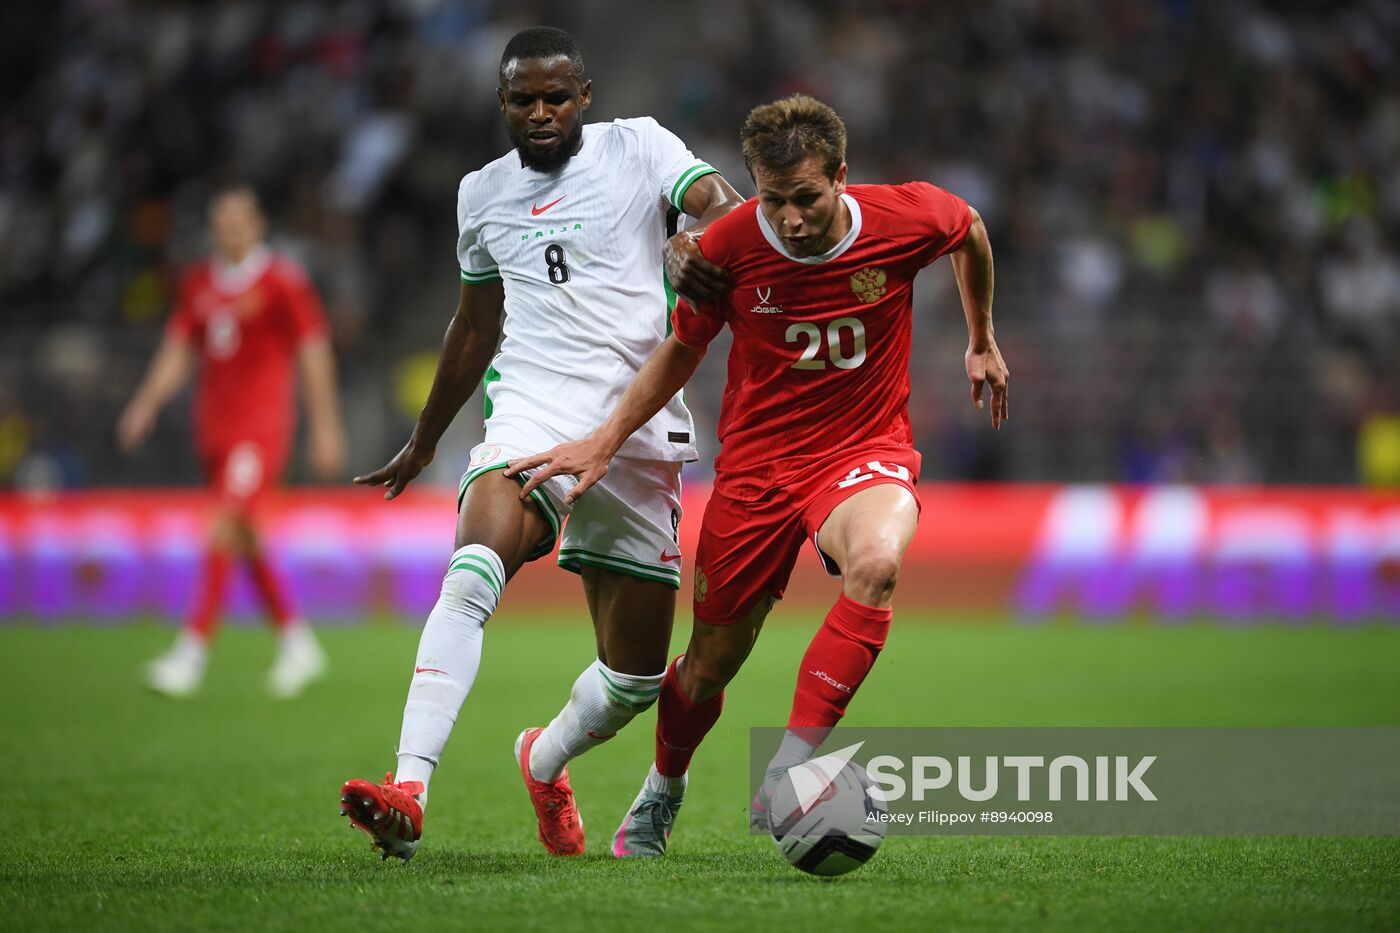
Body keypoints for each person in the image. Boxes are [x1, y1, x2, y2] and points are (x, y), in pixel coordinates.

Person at [507, 94, 1008, 857]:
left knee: (875, 562)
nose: (793, 218)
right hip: (758, 470)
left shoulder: (904, 218)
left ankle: (791, 766)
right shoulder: (729, 247)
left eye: (807, 197)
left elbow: (968, 228)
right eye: (774, 200)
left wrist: (981, 338)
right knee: (707, 667)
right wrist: (605, 439)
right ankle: (662, 788)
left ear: (841, 176)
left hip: (862, 446)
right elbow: (680, 351)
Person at [336, 26, 742, 862]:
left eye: (557, 97)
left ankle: (543, 758)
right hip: (531, 418)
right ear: (502, 104)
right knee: (474, 567)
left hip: (634, 426)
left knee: (632, 680)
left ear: (585, 96)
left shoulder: (640, 147)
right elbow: (474, 326)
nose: (542, 112)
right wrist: (424, 440)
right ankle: (409, 788)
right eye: (524, 100)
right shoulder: (480, 194)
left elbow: (724, 207)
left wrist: (693, 241)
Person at [118, 184, 346, 699]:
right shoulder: (199, 284)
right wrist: (146, 403)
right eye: (222, 220)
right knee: (244, 533)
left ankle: (191, 653)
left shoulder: (282, 281)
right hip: (214, 431)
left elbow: (313, 353)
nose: (230, 228)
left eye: (239, 219)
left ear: (257, 224)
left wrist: (326, 425)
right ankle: (297, 642)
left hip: (260, 430)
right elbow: (178, 349)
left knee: (223, 523)